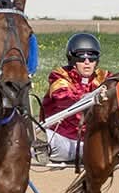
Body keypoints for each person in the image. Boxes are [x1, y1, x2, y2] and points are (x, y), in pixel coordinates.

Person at [39, 32, 109, 164]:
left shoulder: (105, 78)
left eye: (92, 57)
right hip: (64, 140)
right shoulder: (59, 76)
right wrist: (88, 99)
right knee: (40, 139)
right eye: (81, 58)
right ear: (72, 60)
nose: (87, 62)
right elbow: (64, 99)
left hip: (95, 141)